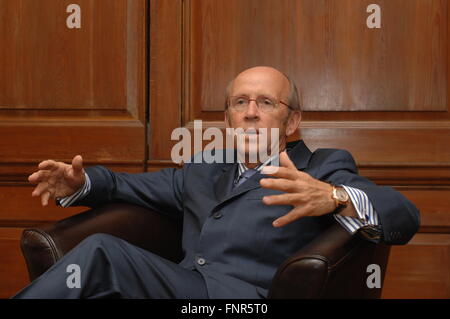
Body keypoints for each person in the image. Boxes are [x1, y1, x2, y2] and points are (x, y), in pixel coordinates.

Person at [13, 66, 420, 299]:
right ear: (227, 119)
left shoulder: (319, 166)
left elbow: (403, 215)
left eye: (266, 103)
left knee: (102, 251)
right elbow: (124, 186)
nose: (250, 112)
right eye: (240, 102)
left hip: (244, 303)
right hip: (186, 289)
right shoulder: (203, 171)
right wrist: (79, 183)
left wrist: (333, 197)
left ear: (291, 121)